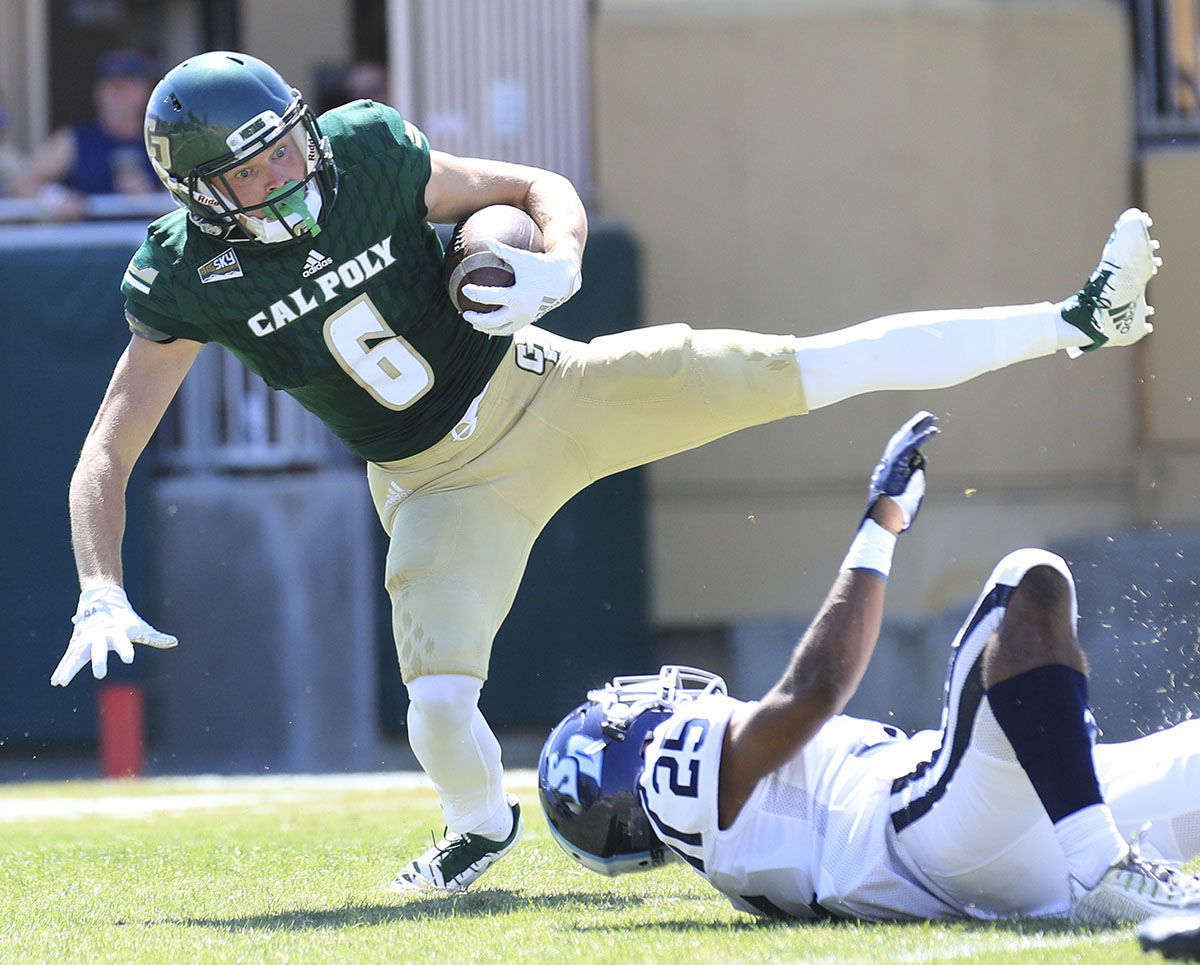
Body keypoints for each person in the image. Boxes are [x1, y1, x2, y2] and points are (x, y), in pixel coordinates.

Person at [48, 48, 1161, 895]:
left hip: (549, 385)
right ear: (200, 194)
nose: (289, 171)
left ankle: (1076, 318)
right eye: (253, 170)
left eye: (287, 146)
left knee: (814, 362)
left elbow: (536, 186)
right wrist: (99, 580)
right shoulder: (182, 276)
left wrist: (562, 264)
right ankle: (478, 826)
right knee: (438, 704)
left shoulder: (369, 152)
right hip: (438, 483)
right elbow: (108, 445)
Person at [539, 412, 1200, 925]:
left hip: (999, 860)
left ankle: (1098, 859)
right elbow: (816, 688)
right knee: (1029, 581)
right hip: (933, 833)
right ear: (621, 740)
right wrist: (881, 522)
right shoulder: (668, 768)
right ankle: (1102, 866)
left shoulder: (728, 860)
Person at [14, 50, 160, 217]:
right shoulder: (74, 139)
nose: (118, 95)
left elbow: (181, 201)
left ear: (146, 91)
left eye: (126, 87)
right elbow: (22, 183)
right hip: (87, 232)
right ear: (98, 92)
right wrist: (56, 197)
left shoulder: (163, 139)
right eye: (111, 86)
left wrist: (151, 199)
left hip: (145, 232)